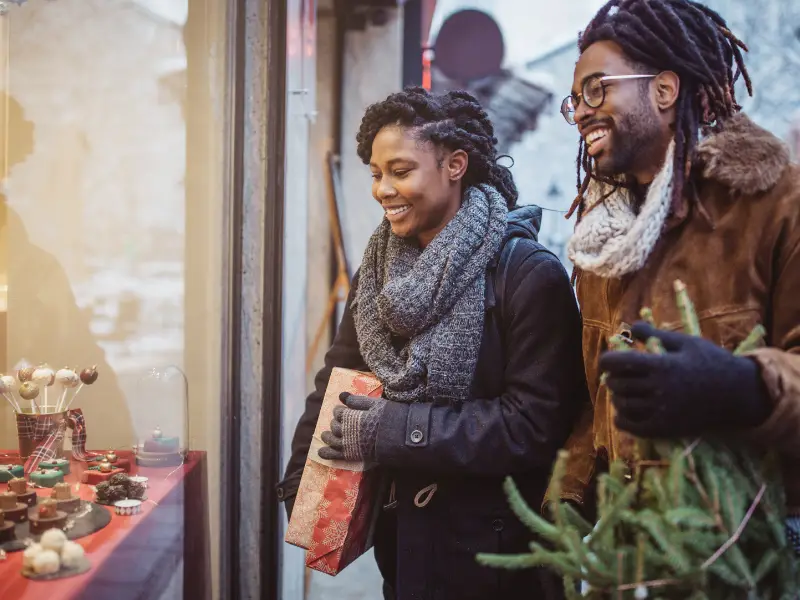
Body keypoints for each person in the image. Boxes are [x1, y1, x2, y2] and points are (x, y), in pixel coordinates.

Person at [277, 87, 588, 600]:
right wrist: (301, 489)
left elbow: (534, 426)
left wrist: (394, 431)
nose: (382, 190)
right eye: (376, 174)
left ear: (455, 165)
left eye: (400, 171)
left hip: (503, 561)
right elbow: (339, 381)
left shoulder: (528, 275)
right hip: (405, 554)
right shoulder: (378, 272)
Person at [556, 0, 800, 552]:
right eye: (574, 100)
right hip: (633, 548)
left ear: (664, 91)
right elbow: (592, 397)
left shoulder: (777, 204)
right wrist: (567, 504)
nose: (581, 112)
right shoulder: (601, 238)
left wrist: (744, 389)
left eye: (597, 89)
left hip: (752, 549)